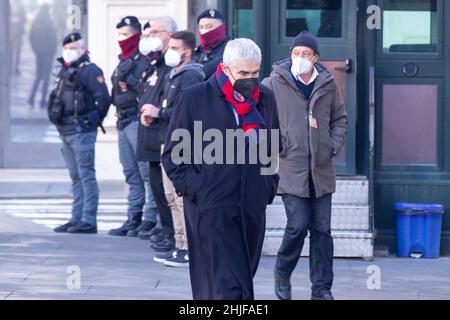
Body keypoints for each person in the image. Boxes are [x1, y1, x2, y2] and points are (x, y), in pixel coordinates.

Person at [162, 38, 280, 300]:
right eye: (243, 73)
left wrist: (266, 189)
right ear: (226, 69)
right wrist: (201, 189)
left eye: (255, 72)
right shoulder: (195, 98)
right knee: (224, 285)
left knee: (242, 277)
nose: (251, 79)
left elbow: (271, 150)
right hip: (210, 209)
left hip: (251, 207)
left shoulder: (267, 99)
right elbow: (173, 157)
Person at [262, 31, 348, 301]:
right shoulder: (273, 82)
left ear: (315, 58)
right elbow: (261, 119)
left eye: (306, 54)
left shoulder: (327, 83)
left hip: (321, 170)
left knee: (322, 231)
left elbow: (340, 119)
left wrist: (332, 146)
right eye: (296, 53)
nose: (300, 58)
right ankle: (282, 272)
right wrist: (279, 145)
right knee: (297, 225)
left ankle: (321, 289)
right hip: (290, 167)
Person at [141, 31, 205, 267]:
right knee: (170, 197)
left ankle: (189, 247)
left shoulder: (191, 75)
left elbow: (187, 110)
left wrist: (160, 113)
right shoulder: (175, 73)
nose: (170, 51)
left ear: (186, 52)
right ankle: (180, 244)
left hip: (182, 142)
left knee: (180, 198)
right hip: (168, 140)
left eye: (174, 47)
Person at [50, 32, 111, 234]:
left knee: (86, 175)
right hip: (65, 130)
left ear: (83, 49)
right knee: (75, 176)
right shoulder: (63, 71)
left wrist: (90, 122)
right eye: (67, 48)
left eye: (74, 48)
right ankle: (76, 218)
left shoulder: (90, 71)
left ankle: (88, 219)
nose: (69, 51)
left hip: (81, 131)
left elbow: (103, 99)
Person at [108, 16, 159, 238]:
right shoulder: (125, 58)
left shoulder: (145, 59)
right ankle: (134, 216)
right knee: (131, 172)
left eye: (126, 34)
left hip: (138, 120)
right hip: (123, 119)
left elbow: (148, 88)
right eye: (119, 34)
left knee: (145, 172)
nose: (122, 38)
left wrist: (129, 84)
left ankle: (150, 217)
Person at [135, 17, 177, 253]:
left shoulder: (171, 63)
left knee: (166, 190)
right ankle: (166, 229)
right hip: (150, 133)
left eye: (154, 33)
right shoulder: (155, 62)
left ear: (168, 34)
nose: (148, 38)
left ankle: (173, 232)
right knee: (157, 187)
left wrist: (157, 111)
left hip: (163, 133)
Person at [28, 4, 58, 108]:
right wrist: (53, 51)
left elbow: (31, 37)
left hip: (39, 52)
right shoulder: (49, 22)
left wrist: (35, 50)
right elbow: (53, 39)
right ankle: (42, 100)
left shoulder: (36, 21)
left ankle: (31, 98)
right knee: (46, 77)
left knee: (38, 75)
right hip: (48, 54)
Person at [193, 9, 228, 79]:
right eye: (201, 27)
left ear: (221, 27)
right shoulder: (197, 51)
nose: (204, 31)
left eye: (209, 26)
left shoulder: (229, 50)